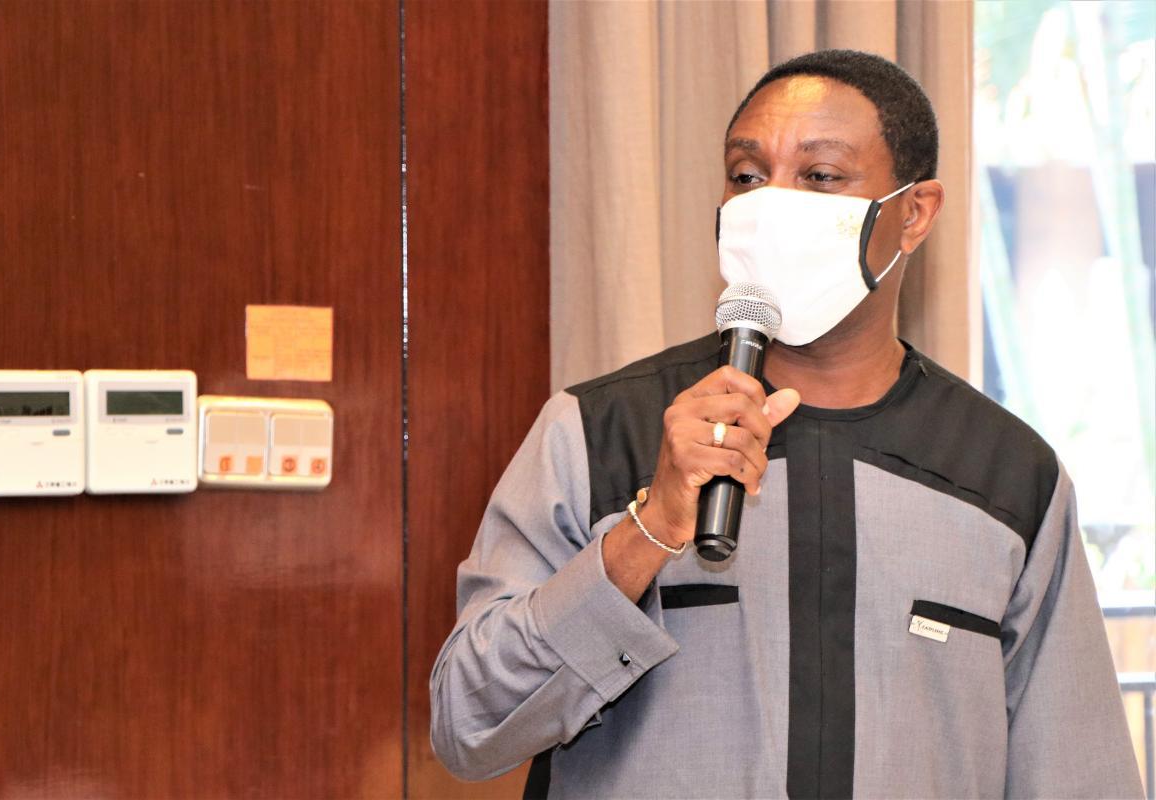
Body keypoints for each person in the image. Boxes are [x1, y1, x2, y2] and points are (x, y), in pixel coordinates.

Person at [429, 49, 1143, 799]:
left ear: (914, 213)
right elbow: (467, 726)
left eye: (820, 176)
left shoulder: (1007, 475)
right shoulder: (597, 432)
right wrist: (647, 532)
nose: (771, 204)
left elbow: (1076, 776)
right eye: (746, 176)